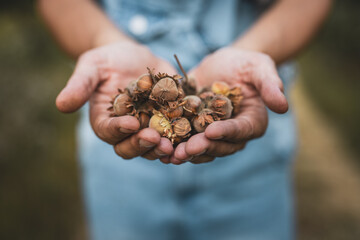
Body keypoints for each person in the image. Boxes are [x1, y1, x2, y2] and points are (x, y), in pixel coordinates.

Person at [38, 0, 332, 239]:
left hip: (252, 167)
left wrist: (252, 53)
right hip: (120, 174)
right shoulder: (159, 104)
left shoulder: (193, 105)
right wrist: (102, 41)